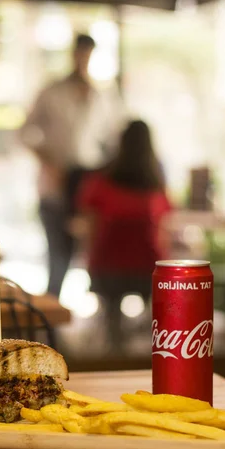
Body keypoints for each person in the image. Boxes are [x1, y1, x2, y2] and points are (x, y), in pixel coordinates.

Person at [20, 34, 121, 297]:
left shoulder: (102, 96)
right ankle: (51, 320)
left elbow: (113, 139)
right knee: (58, 255)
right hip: (57, 182)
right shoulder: (52, 92)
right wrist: (48, 162)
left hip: (88, 185)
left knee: (94, 255)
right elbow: (25, 132)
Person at [76, 120, 172, 350]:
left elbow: (87, 230)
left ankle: (115, 351)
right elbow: (164, 231)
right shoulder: (156, 188)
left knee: (112, 326)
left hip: (106, 270)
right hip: (148, 271)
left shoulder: (98, 184)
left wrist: (87, 261)